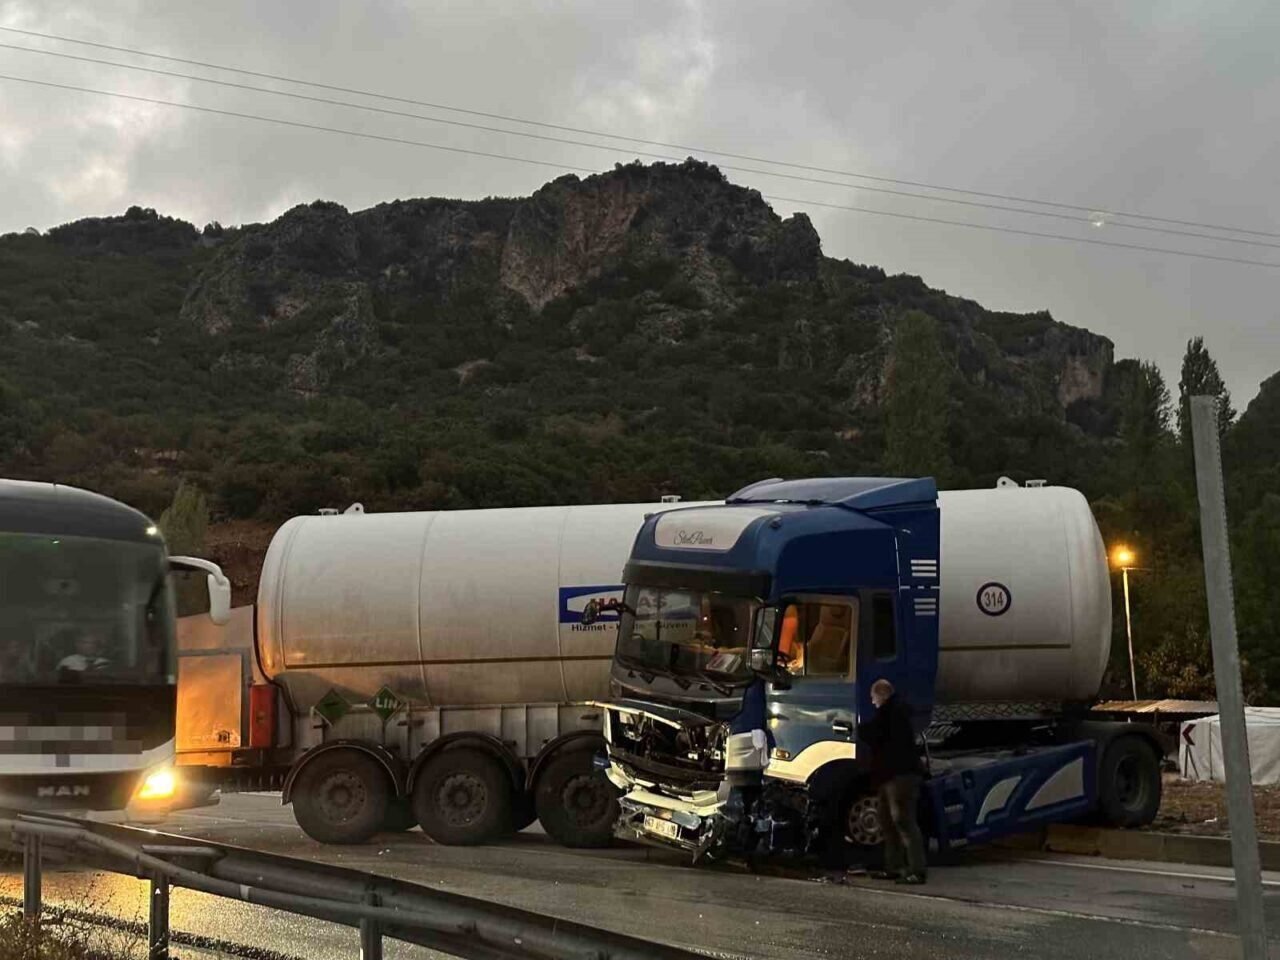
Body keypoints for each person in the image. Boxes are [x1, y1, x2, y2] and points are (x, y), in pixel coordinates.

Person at [856, 677, 927, 884]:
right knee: (887, 821)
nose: (872, 701)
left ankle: (916, 870)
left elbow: (875, 733)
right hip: (891, 776)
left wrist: (858, 729)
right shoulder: (895, 712)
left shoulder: (891, 713)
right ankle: (894, 866)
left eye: (873, 697)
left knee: (903, 821)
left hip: (900, 776)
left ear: (882, 695)